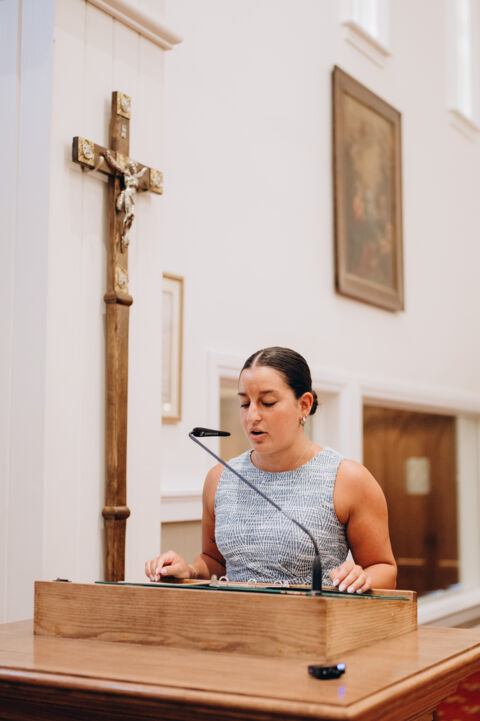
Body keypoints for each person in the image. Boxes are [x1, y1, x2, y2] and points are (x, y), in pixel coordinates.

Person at [145, 347, 397, 593]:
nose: (252, 416)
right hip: (233, 619)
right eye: (245, 403)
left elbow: (384, 568)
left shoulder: (347, 479)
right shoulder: (219, 478)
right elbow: (214, 561)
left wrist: (362, 577)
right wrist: (188, 570)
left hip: (314, 619)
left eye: (267, 402)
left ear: (304, 405)